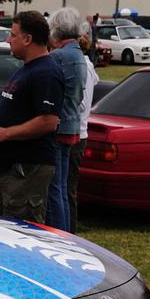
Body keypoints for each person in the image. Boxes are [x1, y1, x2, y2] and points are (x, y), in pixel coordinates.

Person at [0, 11, 63, 224]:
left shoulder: (47, 72)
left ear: (27, 39)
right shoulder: (27, 69)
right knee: (7, 225)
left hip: (27, 169)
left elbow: (49, 121)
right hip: (11, 170)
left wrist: (4, 133)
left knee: (21, 229)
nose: (8, 40)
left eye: (13, 35)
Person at [45, 7, 85, 232]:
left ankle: (59, 235)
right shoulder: (77, 53)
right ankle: (66, 233)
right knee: (62, 187)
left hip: (60, 126)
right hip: (72, 124)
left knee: (55, 189)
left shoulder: (59, 56)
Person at [68, 29, 98, 234]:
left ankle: (70, 232)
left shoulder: (84, 68)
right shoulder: (85, 67)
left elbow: (81, 103)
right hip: (77, 132)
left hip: (77, 133)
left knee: (68, 188)